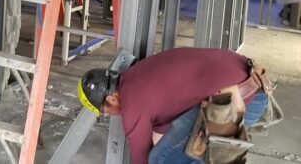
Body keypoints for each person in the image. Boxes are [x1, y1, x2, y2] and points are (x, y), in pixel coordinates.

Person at [77, 47, 272, 164]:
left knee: (159, 161)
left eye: (106, 112)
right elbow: (165, 125)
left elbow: (141, 159)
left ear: (111, 99)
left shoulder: (131, 104)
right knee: (179, 151)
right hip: (255, 83)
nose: (112, 115)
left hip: (235, 101)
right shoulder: (136, 76)